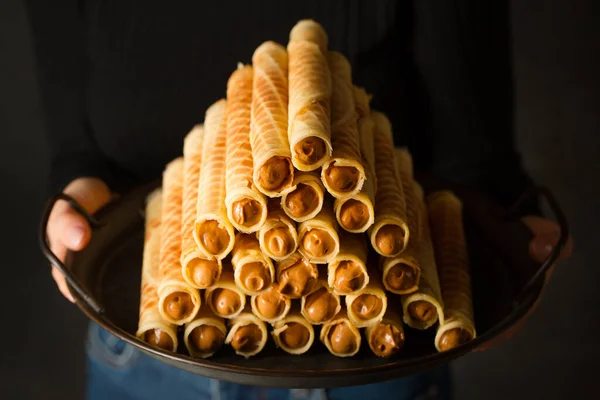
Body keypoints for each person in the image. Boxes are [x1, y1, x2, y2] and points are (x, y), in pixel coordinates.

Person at [27, 1, 573, 399]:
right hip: (145, 362)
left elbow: (474, 156)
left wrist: (509, 228)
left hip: (380, 365)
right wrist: (78, 185)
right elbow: (75, 134)